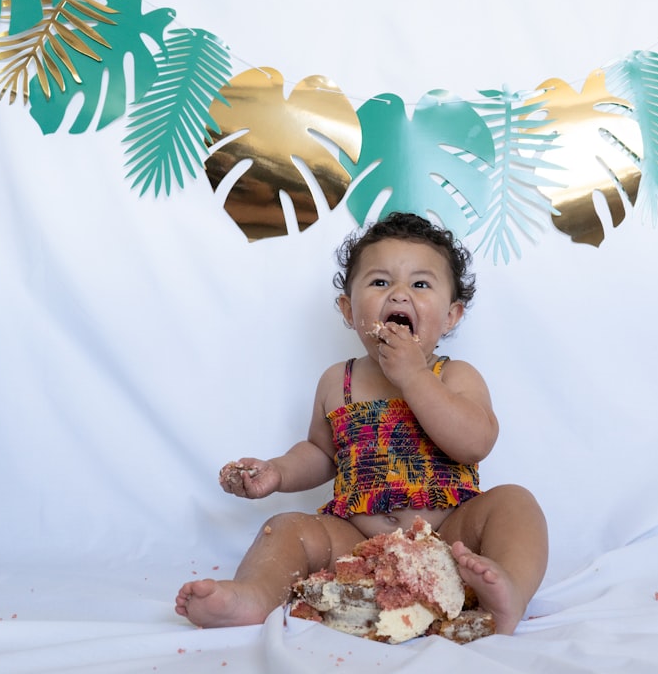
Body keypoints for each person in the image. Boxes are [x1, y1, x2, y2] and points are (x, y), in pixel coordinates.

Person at [175, 212, 548, 636]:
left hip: (448, 538)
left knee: (516, 503)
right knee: (288, 528)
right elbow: (320, 453)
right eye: (380, 282)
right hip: (358, 544)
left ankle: (509, 591)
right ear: (349, 311)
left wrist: (414, 376)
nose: (400, 295)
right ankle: (251, 596)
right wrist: (277, 472)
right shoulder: (340, 381)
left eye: (421, 284)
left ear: (451, 316)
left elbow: (475, 443)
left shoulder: (454, 376)